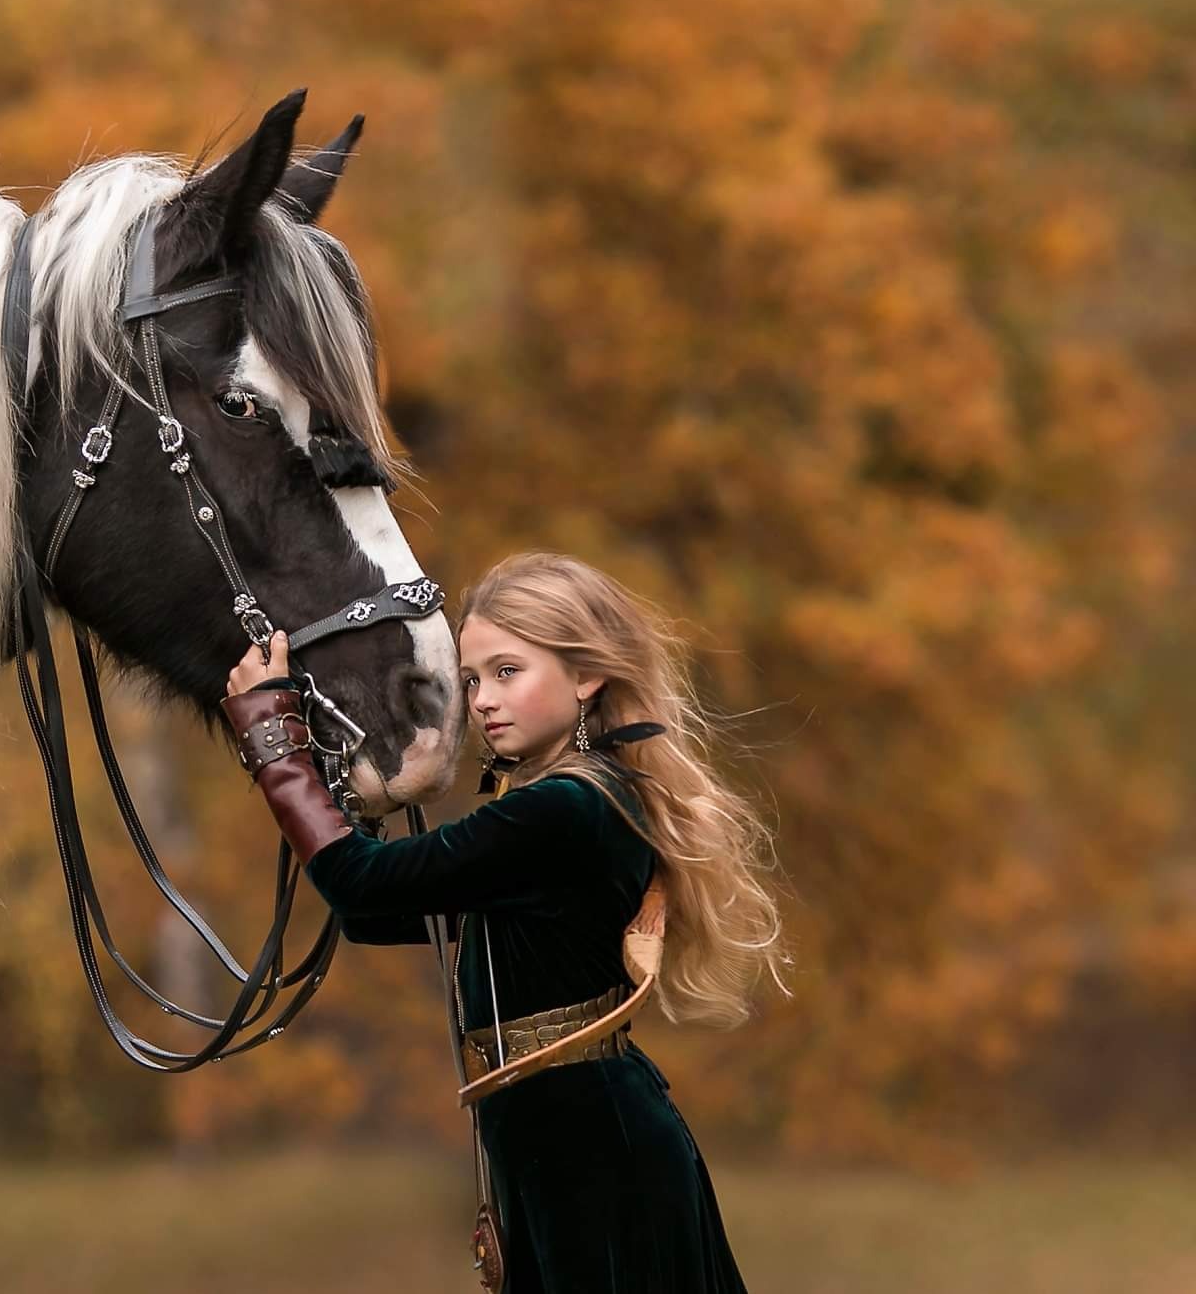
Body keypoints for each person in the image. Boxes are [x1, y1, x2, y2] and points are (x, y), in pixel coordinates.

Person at [221, 551, 787, 1293]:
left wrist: (276, 738)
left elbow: (362, 887)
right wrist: (347, 781)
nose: (483, 699)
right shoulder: (567, 805)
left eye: (508, 671)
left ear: (586, 677)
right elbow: (379, 915)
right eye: (472, 679)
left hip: (596, 1158)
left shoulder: (565, 809)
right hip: (559, 1148)